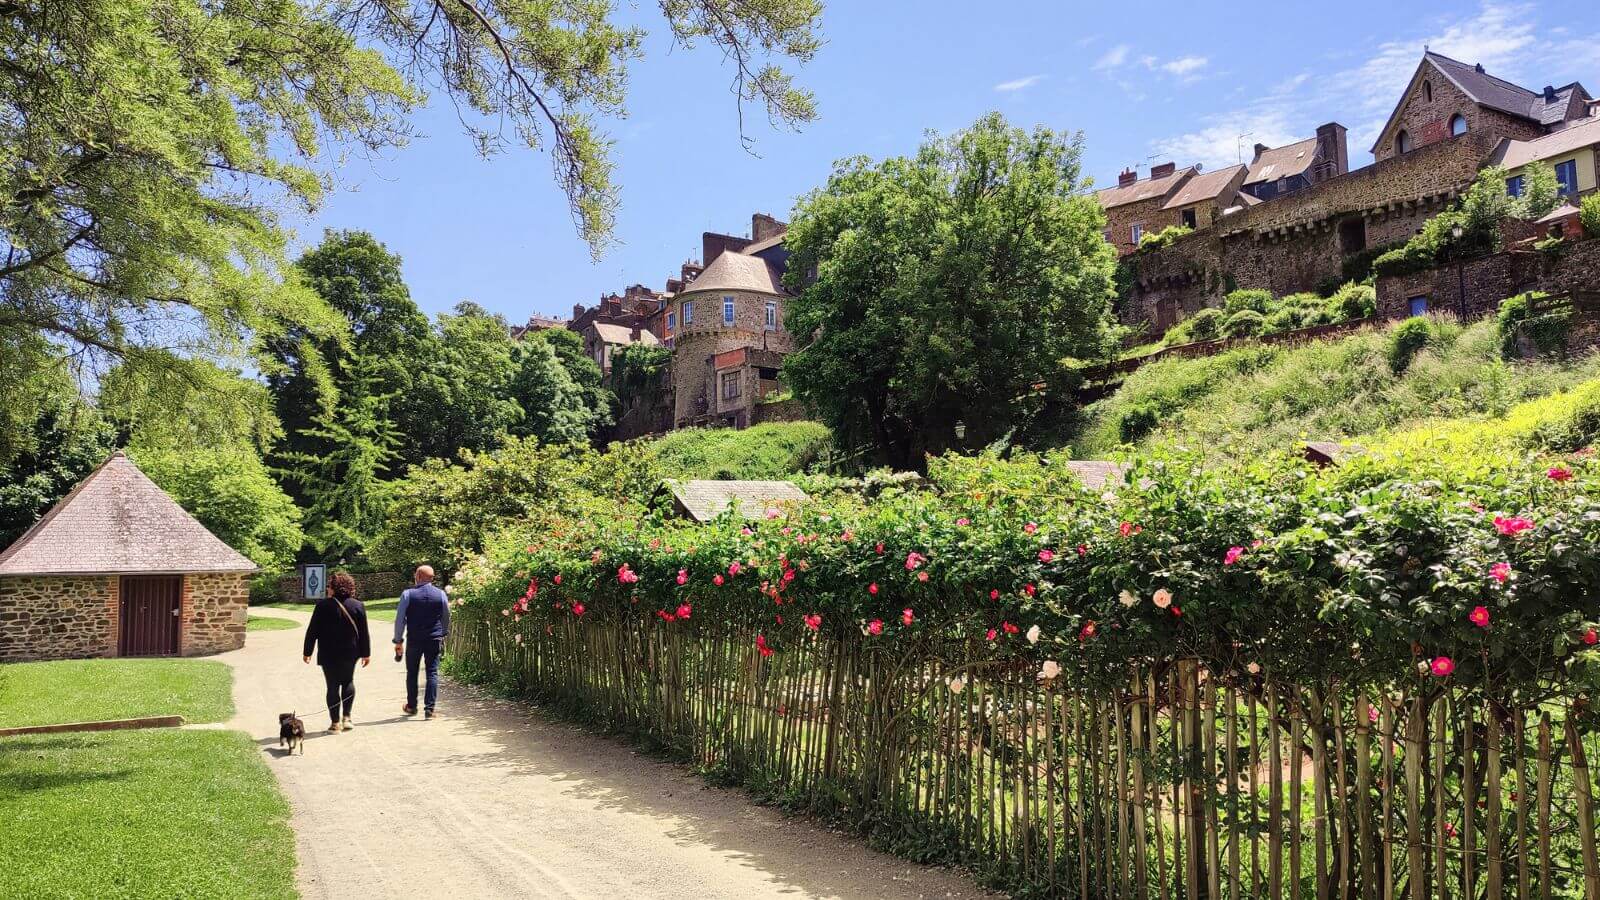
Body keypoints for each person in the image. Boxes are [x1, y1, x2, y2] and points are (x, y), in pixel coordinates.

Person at [302, 572, 371, 734]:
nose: (327, 589)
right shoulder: (357, 605)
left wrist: (307, 651)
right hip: (351, 652)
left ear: (333, 588)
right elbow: (364, 633)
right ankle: (347, 718)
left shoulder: (322, 606)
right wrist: (366, 653)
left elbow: (312, 631)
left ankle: (334, 723)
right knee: (348, 681)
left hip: (328, 652)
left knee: (332, 685)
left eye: (329, 586)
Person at [395, 565, 450, 719]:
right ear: (432, 578)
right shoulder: (440, 595)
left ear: (418, 576)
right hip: (433, 638)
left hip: (414, 639)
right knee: (432, 672)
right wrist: (443, 632)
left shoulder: (408, 595)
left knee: (412, 672)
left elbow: (400, 620)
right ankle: (430, 709)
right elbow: (446, 615)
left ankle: (412, 706)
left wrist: (398, 640)